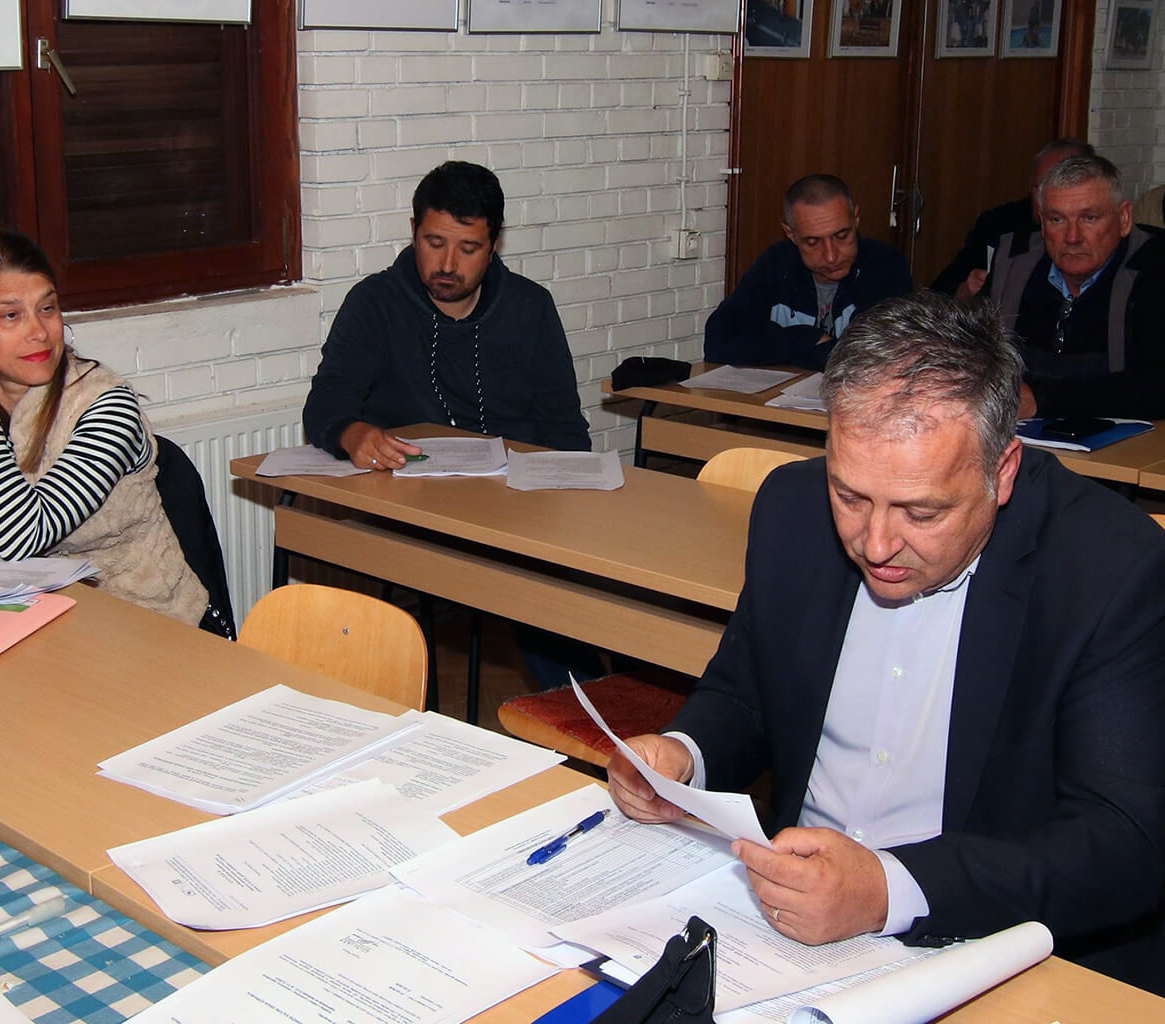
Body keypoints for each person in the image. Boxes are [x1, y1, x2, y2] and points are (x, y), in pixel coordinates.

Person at [609, 292, 1165, 993]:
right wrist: (684, 757)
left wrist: (889, 889)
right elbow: (746, 695)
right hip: (778, 923)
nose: (874, 544)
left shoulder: (1109, 568)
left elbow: (1124, 842)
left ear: (1002, 472)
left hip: (984, 940)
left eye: (921, 512)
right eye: (850, 496)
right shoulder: (791, 508)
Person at [0, 229, 213, 630]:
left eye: (47, 308)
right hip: (13, 616)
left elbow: (24, 536)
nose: (39, 332)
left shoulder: (108, 405)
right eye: (12, 315)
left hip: (136, 618)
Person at [302, 160, 590, 468]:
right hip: (407, 486)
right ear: (414, 232)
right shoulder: (375, 302)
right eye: (435, 243)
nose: (448, 265)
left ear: (493, 246)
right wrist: (352, 433)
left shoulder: (530, 307)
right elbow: (327, 398)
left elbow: (564, 428)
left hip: (512, 486)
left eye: (468, 249)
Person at [985, 154, 1165, 419]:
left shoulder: (1155, 267)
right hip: (1020, 436)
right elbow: (974, 357)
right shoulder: (1013, 264)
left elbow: (1155, 387)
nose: (1072, 237)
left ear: (1124, 218)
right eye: (1057, 220)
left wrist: (1040, 400)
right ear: (1042, 224)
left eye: (1089, 218)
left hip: (1130, 441)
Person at [702, 174, 911, 370]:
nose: (831, 256)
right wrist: (808, 339)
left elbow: (873, 355)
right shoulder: (777, 262)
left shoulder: (885, 264)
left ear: (856, 219)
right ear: (791, 234)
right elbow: (718, 340)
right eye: (813, 242)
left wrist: (786, 348)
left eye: (842, 236)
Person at [931, 138, 1094, 300]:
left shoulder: (1092, 236)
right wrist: (965, 290)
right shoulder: (1000, 224)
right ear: (1030, 187)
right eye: (1040, 188)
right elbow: (938, 292)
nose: (1046, 199)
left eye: (1060, 188)